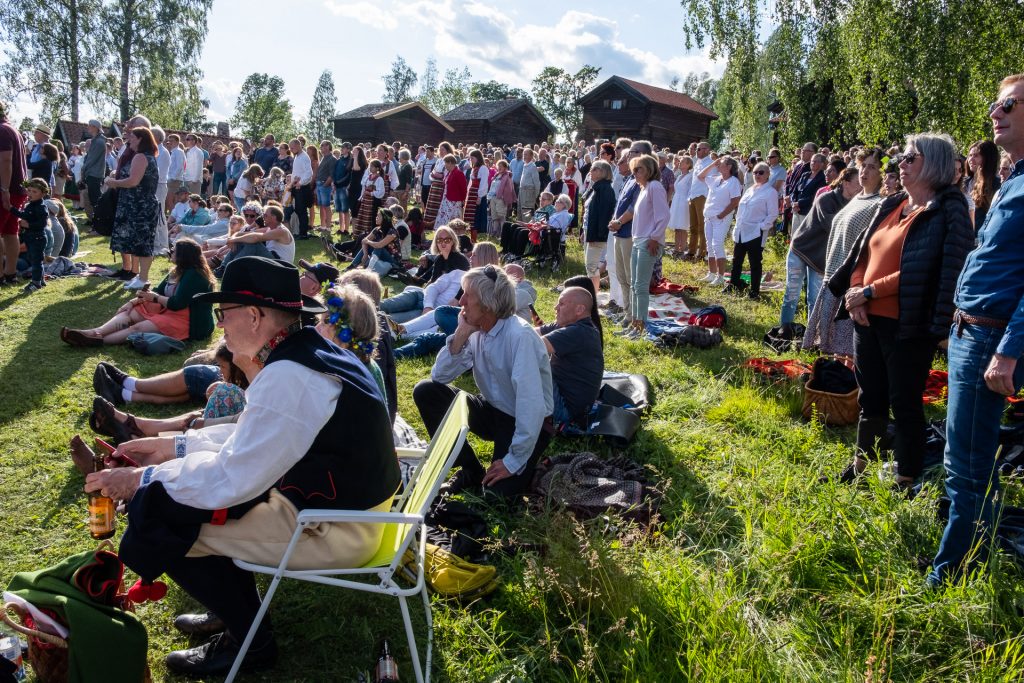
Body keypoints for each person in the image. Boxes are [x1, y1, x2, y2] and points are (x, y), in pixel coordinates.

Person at [85, 256, 399, 677]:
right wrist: (171, 447)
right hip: (346, 512)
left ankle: (250, 640)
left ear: (254, 317)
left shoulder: (292, 373)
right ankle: (234, 613)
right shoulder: (304, 355)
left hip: (337, 528)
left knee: (163, 513)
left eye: (223, 314)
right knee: (182, 498)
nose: (219, 325)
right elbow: (251, 438)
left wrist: (141, 478)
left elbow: (232, 478)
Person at [827, 133, 974, 490]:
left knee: (904, 401)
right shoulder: (892, 203)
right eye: (902, 158)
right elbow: (864, 253)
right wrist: (855, 293)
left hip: (909, 323)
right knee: (871, 396)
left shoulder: (948, 209)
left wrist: (870, 291)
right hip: (867, 317)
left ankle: (906, 476)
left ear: (934, 164)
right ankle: (863, 462)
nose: (901, 164)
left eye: (911, 158)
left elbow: (932, 268)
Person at [929, 75, 1024, 586]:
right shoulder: (1014, 179)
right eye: (994, 102)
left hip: (991, 336)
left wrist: (1009, 350)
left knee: (965, 463)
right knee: (962, 454)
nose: (995, 110)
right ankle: (970, 555)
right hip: (971, 332)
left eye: (1008, 103)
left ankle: (949, 576)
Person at [413, 265, 553, 498]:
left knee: (496, 496)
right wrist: (460, 334)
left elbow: (531, 406)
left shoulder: (520, 336)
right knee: (426, 391)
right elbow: (439, 376)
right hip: (492, 409)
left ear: (488, 305)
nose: (461, 301)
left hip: (527, 420)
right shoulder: (476, 329)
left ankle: (525, 464)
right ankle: (470, 469)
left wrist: (513, 460)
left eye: (468, 295)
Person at [61, 238, 216, 346]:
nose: (171, 252)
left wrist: (154, 298)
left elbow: (177, 304)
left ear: (184, 256)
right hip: (169, 309)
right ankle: (94, 332)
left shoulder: (194, 275)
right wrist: (132, 301)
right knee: (131, 312)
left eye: (174, 250)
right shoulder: (177, 270)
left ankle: (98, 341)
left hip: (188, 320)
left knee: (137, 328)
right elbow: (157, 291)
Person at [804, 147, 884, 356]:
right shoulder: (857, 198)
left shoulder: (879, 204)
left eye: (872, 167)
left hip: (850, 281)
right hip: (833, 275)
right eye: (862, 165)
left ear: (881, 173)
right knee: (831, 349)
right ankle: (833, 383)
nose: (865, 171)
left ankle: (843, 385)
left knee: (845, 349)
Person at [780, 167, 860, 328]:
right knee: (792, 293)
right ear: (845, 182)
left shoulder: (854, 204)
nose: (862, 186)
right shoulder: (826, 199)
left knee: (814, 298)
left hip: (821, 257)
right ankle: (785, 330)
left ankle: (811, 335)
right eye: (858, 182)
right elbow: (832, 225)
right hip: (801, 250)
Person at [537, 286, 604, 425]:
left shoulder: (579, 332)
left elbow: (531, 346)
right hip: (565, 400)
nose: (556, 308)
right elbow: (530, 333)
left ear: (579, 310)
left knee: (530, 362)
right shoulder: (568, 325)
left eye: (561, 303)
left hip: (565, 411)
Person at [107, 127, 161, 290]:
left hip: (139, 206)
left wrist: (113, 182)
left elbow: (133, 181)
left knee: (142, 242)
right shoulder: (148, 156)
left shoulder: (140, 156)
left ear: (140, 139)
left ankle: (143, 279)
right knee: (140, 242)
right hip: (141, 205)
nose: (128, 139)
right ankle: (140, 277)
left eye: (131, 136)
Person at [623, 154, 669, 335]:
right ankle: (634, 324)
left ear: (649, 169)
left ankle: (640, 326)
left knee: (641, 286)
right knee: (634, 284)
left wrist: (655, 238)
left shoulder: (655, 187)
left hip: (648, 241)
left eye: (639, 169)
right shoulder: (644, 188)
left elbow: (664, 215)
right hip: (638, 240)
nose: (635, 173)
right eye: (633, 169)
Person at [726, 161, 778, 298]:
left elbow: (773, 214)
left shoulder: (770, 192)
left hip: (755, 232)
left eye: (761, 172)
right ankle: (733, 284)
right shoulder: (749, 190)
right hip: (741, 231)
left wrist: (761, 227)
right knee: (736, 260)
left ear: (767, 174)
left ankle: (754, 292)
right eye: (755, 172)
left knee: (755, 263)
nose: (757, 175)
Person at [697, 155, 742, 286]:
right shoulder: (717, 179)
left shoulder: (733, 181)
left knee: (717, 245)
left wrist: (722, 215)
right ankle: (711, 274)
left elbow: (735, 201)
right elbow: (700, 176)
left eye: (721, 164)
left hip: (721, 218)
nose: (718, 165)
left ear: (729, 167)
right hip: (709, 216)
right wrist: (712, 164)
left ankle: (720, 276)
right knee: (709, 245)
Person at [581, 159, 616, 294]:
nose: (591, 171)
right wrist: (585, 231)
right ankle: (592, 293)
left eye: (594, 169)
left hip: (597, 235)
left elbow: (604, 215)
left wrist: (599, 236)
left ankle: (593, 294)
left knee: (591, 265)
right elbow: (591, 213)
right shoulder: (597, 187)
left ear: (603, 172)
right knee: (590, 264)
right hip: (590, 231)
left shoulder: (606, 189)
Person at [10, 178, 48, 292]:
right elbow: (23, 215)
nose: (30, 193)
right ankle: (40, 280)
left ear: (43, 193)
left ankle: (36, 283)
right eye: (29, 190)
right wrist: (12, 209)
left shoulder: (41, 207)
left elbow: (43, 223)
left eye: (34, 192)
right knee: (33, 259)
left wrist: (29, 225)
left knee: (36, 261)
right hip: (30, 238)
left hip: (38, 237)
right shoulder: (30, 205)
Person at [686, 141, 713, 260]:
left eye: (699, 149)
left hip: (702, 196)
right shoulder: (697, 162)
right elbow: (693, 181)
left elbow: (709, 181)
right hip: (693, 195)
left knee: (702, 226)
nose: (697, 151)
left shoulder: (711, 164)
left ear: (707, 150)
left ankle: (702, 253)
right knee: (693, 226)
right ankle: (691, 251)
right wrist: (689, 196)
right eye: (696, 149)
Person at [668, 155, 693, 257]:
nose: (679, 163)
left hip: (684, 202)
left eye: (682, 162)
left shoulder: (690, 176)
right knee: (677, 227)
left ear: (688, 165)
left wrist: (689, 201)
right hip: (676, 201)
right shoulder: (678, 176)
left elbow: (691, 190)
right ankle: (676, 248)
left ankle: (682, 249)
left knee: (682, 227)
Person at [81, 119, 107, 216]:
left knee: (95, 200)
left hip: (94, 174)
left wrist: (83, 169)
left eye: (90, 125)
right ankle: (96, 223)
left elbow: (91, 159)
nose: (88, 127)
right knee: (93, 199)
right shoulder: (96, 141)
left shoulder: (99, 142)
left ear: (95, 127)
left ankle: (99, 223)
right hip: (93, 173)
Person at [289, 139, 314, 239]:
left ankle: (303, 233)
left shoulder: (304, 157)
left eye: (292, 147)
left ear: (298, 145)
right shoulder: (297, 156)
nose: (291, 149)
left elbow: (309, 173)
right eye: (290, 148)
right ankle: (300, 231)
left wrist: (300, 182)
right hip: (296, 186)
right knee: (299, 210)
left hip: (302, 188)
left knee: (302, 210)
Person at [436, 154, 468, 228]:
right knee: (444, 218)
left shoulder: (458, 173)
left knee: (453, 219)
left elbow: (463, 188)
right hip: (446, 199)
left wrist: (463, 199)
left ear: (450, 163)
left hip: (454, 201)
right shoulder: (449, 173)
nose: (445, 166)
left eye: (446, 163)